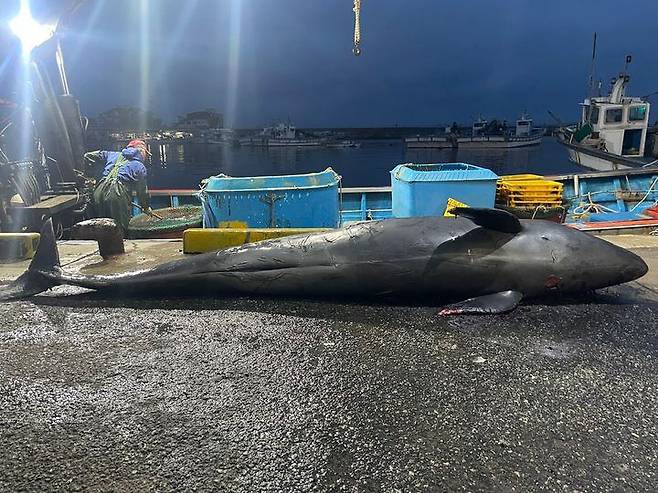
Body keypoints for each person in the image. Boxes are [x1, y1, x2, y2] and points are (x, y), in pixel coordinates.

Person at [84, 139, 151, 231]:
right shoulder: (139, 166)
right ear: (141, 151)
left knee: (101, 226)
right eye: (146, 153)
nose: (146, 156)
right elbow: (142, 191)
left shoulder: (112, 154)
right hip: (117, 194)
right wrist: (146, 207)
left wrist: (90, 175)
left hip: (99, 192)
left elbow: (88, 156)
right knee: (119, 228)